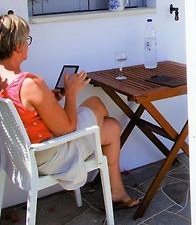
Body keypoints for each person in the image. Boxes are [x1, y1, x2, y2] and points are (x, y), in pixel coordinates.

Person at [0, 13, 139, 209]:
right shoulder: (30, 83)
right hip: (51, 154)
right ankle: (110, 183)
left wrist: (52, 99)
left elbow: (26, 112)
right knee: (96, 103)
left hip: (25, 154)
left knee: (112, 127)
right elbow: (66, 129)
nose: (28, 45)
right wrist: (72, 93)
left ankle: (116, 192)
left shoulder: (5, 81)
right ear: (17, 46)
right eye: (27, 40)